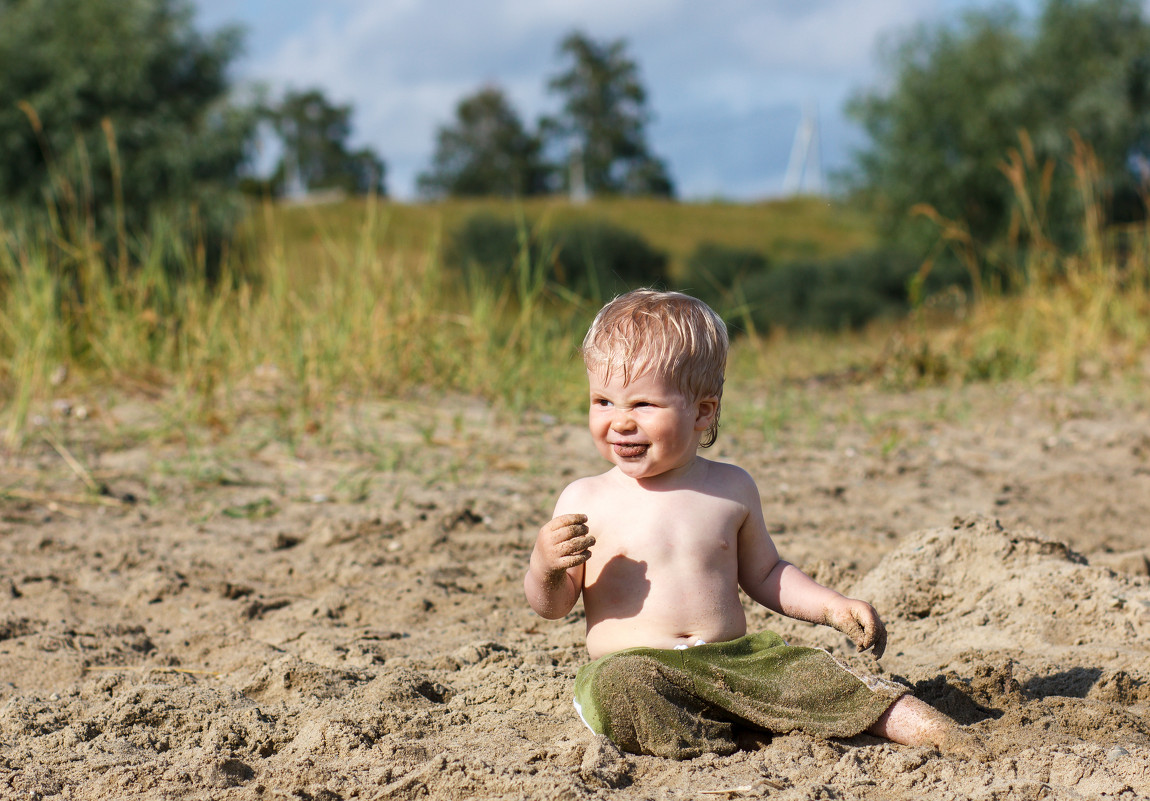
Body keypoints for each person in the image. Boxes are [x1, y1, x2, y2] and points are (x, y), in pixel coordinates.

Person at [524, 288, 985, 760]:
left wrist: (831, 606)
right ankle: (736, 738)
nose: (619, 422)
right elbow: (554, 605)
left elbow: (766, 574)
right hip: (638, 667)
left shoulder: (730, 488)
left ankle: (948, 736)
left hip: (736, 665)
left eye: (642, 405)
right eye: (602, 401)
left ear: (703, 411)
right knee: (618, 690)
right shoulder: (584, 498)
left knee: (817, 675)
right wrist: (546, 567)